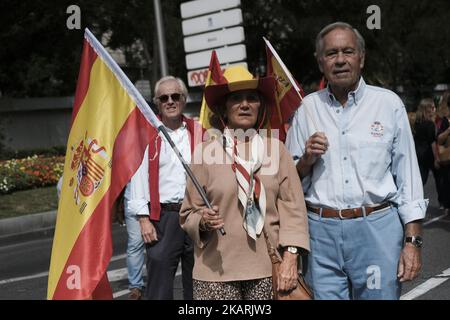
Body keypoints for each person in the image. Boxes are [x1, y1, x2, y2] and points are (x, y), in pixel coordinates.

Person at [285, 22, 427, 300]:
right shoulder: (306, 109)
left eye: (347, 52)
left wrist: (412, 242)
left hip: (376, 229)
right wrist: (306, 160)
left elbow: (408, 178)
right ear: (320, 61)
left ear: (361, 58)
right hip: (320, 233)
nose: (340, 60)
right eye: (331, 53)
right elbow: (288, 182)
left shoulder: (388, 104)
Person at [180, 65, 310, 300]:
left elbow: (294, 209)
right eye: (236, 98)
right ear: (223, 108)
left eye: (252, 98)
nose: (245, 104)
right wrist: (203, 222)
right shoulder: (204, 153)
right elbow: (188, 214)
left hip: (268, 269)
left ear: (260, 106)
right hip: (214, 274)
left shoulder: (276, 150)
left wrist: (291, 257)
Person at [124, 76, 203, 300]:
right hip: (163, 219)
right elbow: (138, 179)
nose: (170, 101)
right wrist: (143, 219)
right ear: (157, 102)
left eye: (175, 96)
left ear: (184, 100)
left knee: (198, 282)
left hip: (195, 215)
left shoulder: (199, 132)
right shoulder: (147, 134)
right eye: (164, 97)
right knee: (159, 285)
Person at [411, 98, 439, 185]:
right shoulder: (430, 124)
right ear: (428, 109)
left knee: (420, 180)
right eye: (433, 107)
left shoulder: (416, 123)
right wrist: (437, 158)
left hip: (417, 154)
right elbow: (432, 143)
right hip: (427, 155)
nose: (435, 109)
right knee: (439, 180)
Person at [436, 94, 450, 213]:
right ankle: (446, 204)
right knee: (446, 181)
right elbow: (439, 139)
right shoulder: (445, 121)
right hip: (448, 159)